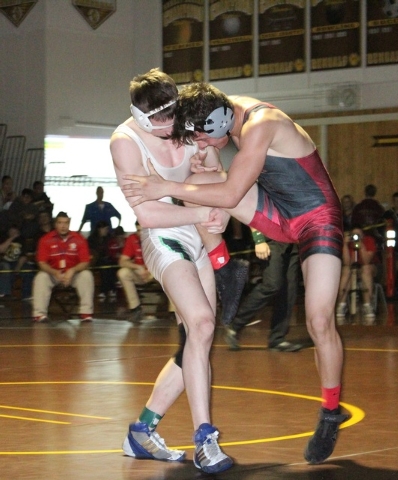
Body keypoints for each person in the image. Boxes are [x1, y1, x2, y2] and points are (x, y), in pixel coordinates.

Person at [121, 82, 349, 465]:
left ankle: (330, 412)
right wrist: (202, 168)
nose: (205, 145)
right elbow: (227, 179)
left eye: (206, 140)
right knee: (200, 185)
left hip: (316, 218)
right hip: (276, 208)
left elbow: (229, 195)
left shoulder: (262, 123)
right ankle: (224, 265)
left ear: (221, 123)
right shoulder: (221, 112)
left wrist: (165, 186)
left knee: (319, 319)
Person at [110, 69, 240, 474]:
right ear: (139, 115)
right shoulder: (125, 142)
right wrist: (205, 209)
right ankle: (205, 438)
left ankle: (142, 431)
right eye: (159, 122)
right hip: (163, 236)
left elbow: (215, 173)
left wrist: (208, 164)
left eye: (173, 118)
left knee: (195, 342)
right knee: (201, 325)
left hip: (198, 233)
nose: (169, 128)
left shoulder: (183, 119)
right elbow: (147, 211)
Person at [225, 228, 304, 351]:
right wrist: (258, 239)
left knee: (289, 291)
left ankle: (277, 338)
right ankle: (235, 325)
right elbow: (254, 211)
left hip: (291, 241)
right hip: (271, 239)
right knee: (272, 284)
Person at [32, 211, 94, 323]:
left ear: (69, 224)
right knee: (41, 277)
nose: (63, 226)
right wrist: (54, 272)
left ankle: (86, 313)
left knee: (86, 274)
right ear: (55, 224)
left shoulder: (79, 239)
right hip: (54, 274)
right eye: (60, 223)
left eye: (66, 223)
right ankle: (39, 314)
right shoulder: (45, 239)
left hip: (73, 274)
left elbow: (85, 262)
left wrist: (73, 270)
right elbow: (41, 263)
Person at [336, 226, 379, 325]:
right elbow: (347, 263)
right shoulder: (348, 243)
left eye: (358, 235)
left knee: (366, 269)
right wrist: (345, 245)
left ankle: (367, 305)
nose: (355, 237)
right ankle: (341, 304)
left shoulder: (369, 241)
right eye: (353, 235)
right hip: (353, 268)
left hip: (369, 266)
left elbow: (366, 261)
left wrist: (361, 246)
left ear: (363, 235)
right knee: (346, 270)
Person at [116, 221, 154, 322]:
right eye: (138, 230)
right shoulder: (132, 239)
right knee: (123, 272)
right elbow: (122, 261)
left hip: (158, 273)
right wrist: (137, 267)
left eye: (143, 230)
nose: (141, 233)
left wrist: (150, 271)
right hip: (141, 273)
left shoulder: (157, 238)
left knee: (173, 275)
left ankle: (176, 312)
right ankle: (135, 308)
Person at [88, 220, 117, 301]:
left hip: (107, 260)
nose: (106, 231)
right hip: (95, 261)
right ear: (99, 229)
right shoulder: (92, 239)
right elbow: (92, 252)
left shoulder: (109, 238)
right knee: (104, 265)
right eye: (105, 229)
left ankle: (110, 289)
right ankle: (106, 290)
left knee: (109, 265)